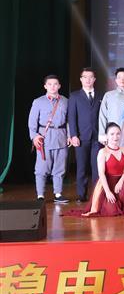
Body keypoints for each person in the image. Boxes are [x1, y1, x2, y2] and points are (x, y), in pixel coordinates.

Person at [28, 75, 70, 203]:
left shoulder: (65, 101)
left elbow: (69, 121)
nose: (53, 86)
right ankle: (40, 195)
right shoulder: (38, 102)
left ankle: (58, 194)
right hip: (44, 138)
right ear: (45, 86)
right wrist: (34, 136)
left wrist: (69, 135)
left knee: (60, 168)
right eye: (50, 84)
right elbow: (32, 122)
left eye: (55, 84)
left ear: (59, 86)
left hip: (61, 137)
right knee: (41, 169)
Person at [81, 123, 124, 216]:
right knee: (112, 211)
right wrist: (107, 192)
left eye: (118, 134)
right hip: (107, 183)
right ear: (107, 136)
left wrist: (121, 181)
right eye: (112, 134)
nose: (115, 137)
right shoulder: (102, 152)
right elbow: (101, 174)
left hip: (120, 183)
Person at [68, 67, 102, 202]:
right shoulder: (75, 96)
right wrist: (73, 135)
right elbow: (71, 117)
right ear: (81, 79)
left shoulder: (101, 95)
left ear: (94, 79)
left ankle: (96, 195)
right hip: (81, 137)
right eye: (85, 77)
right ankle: (81, 195)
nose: (88, 80)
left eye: (90, 77)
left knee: (97, 168)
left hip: (98, 137)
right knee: (81, 168)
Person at [98, 67, 124, 145]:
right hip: (112, 132)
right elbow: (102, 115)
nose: (122, 80)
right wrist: (102, 135)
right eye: (119, 77)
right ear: (116, 80)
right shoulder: (108, 95)